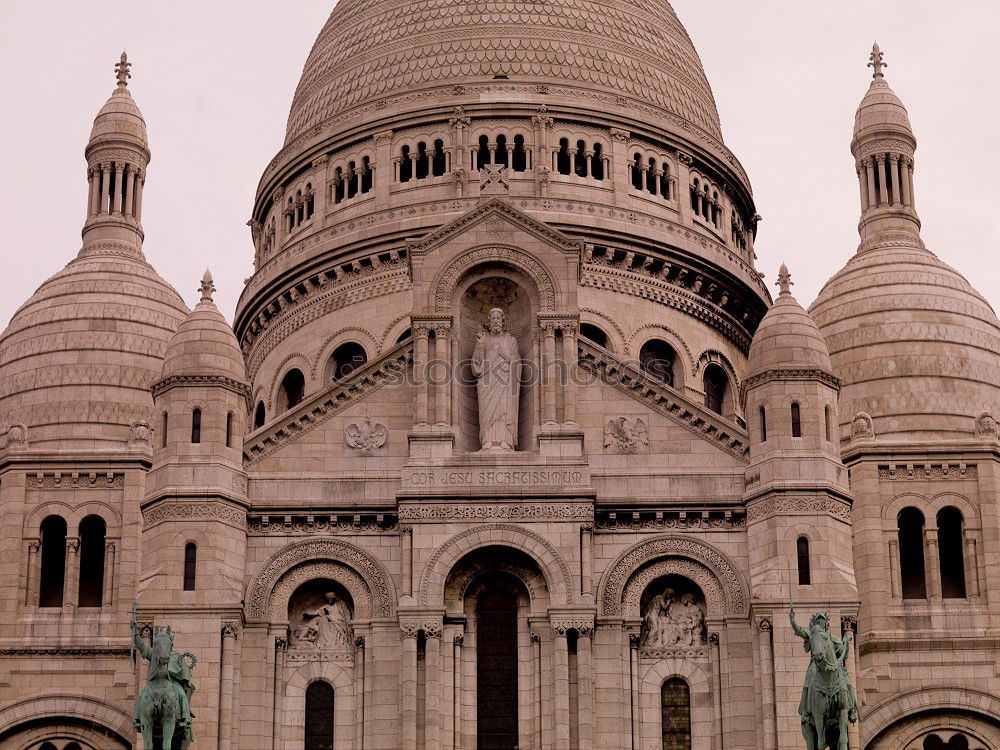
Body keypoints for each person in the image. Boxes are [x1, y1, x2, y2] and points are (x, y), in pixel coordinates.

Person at [472, 307, 521, 451]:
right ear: (489, 322)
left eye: (498, 318)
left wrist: (509, 358)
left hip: (505, 381)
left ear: (503, 321)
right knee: (487, 410)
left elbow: (518, 365)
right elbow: (476, 363)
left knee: (504, 409)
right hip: (487, 381)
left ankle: (505, 440)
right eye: (493, 319)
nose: (495, 321)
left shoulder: (511, 340)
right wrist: (479, 345)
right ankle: (487, 440)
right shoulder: (483, 339)